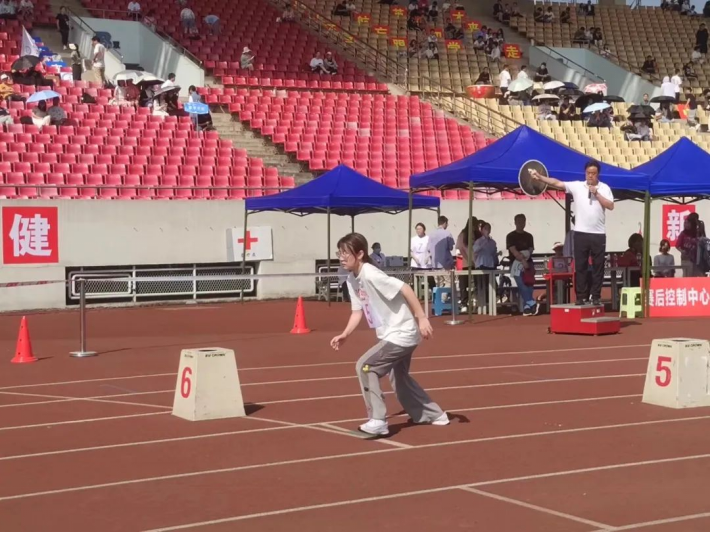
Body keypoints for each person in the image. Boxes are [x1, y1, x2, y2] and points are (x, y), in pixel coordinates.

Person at [330, 233, 449, 436]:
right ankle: (433, 414)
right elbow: (357, 311)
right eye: (339, 253)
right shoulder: (352, 279)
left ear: (360, 254)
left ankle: (378, 420)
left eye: (345, 253)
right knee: (399, 378)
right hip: (392, 334)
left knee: (366, 367)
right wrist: (345, 334)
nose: (341, 258)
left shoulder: (370, 273)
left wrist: (422, 317)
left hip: (401, 333)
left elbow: (405, 288)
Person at [530, 160, 614, 306]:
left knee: (598, 267)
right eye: (588, 173)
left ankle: (596, 296)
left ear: (598, 174)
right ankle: (581, 296)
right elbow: (558, 183)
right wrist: (541, 177)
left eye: (593, 173)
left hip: (598, 233)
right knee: (580, 266)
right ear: (585, 173)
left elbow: (611, 205)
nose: (590, 176)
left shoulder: (604, 188)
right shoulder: (577, 186)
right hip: (581, 232)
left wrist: (597, 193)